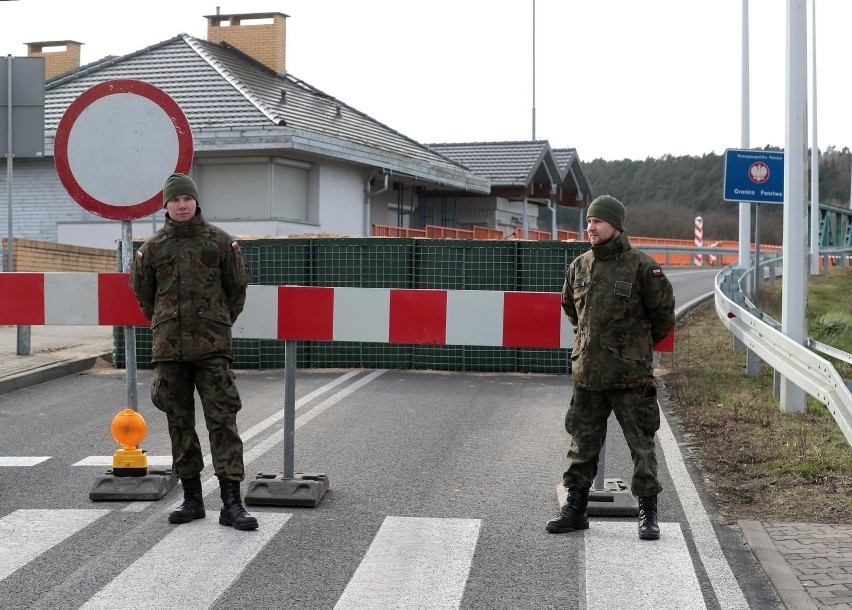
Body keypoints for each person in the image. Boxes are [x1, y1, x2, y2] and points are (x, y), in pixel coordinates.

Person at [130, 172, 258, 531]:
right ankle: (192, 500)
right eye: (175, 200)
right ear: (166, 206)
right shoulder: (152, 249)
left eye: (187, 199)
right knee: (179, 423)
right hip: (169, 350)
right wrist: (168, 324)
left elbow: (237, 290)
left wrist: (216, 322)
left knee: (223, 421)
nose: (182, 205)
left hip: (212, 348)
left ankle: (232, 504)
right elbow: (144, 296)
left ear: (196, 202)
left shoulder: (220, 243)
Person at [546, 195, 675, 540]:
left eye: (598, 221)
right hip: (588, 374)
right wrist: (593, 344)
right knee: (582, 446)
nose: (591, 227)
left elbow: (663, 318)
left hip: (631, 377)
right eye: (588, 221)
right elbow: (572, 311)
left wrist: (632, 348)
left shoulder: (643, 268)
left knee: (641, 446)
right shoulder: (579, 267)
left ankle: (648, 513)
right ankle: (575, 508)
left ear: (617, 226)